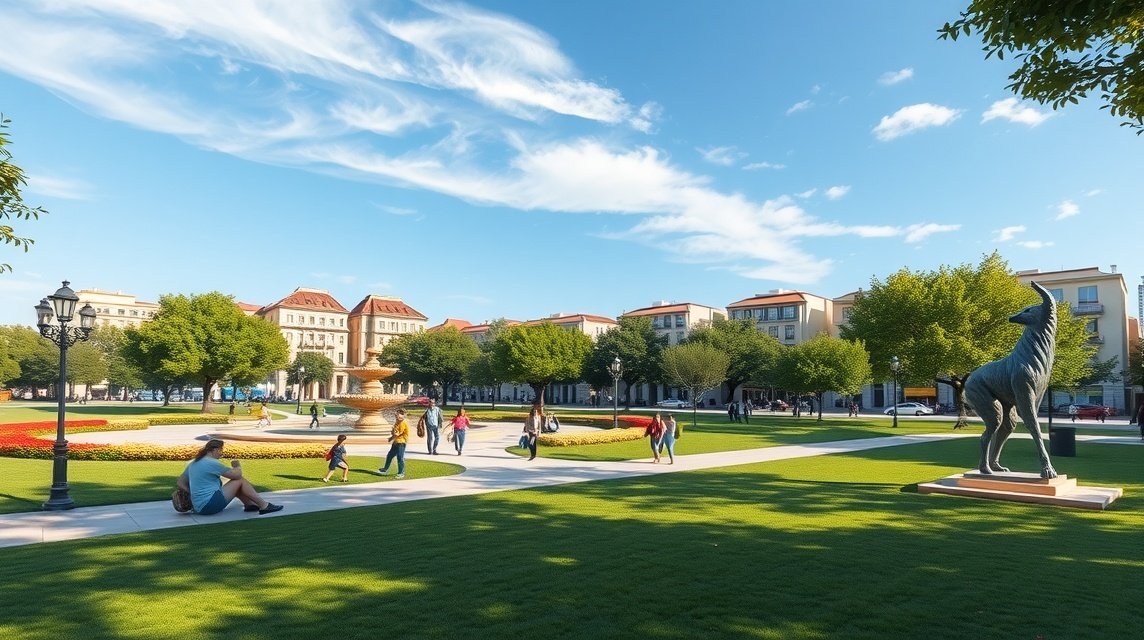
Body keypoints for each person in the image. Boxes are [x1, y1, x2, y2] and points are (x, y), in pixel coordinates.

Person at [177, 439, 282, 515]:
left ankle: (249, 505)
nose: (221, 454)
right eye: (221, 451)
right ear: (216, 450)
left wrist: (192, 493)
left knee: (235, 484)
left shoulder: (194, 462)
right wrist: (237, 466)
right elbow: (237, 475)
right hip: (209, 506)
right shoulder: (211, 463)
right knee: (239, 480)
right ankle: (264, 505)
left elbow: (180, 483)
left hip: (198, 507)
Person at [378, 408, 409, 479]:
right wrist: (392, 432)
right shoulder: (397, 422)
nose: (397, 417)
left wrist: (391, 438)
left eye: (398, 416)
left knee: (400, 458)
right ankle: (385, 469)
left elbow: (397, 434)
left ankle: (401, 473)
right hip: (396, 442)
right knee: (389, 456)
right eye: (396, 416)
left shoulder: (403, 423)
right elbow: (394, 432)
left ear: (402, 416)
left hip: (401, 443)